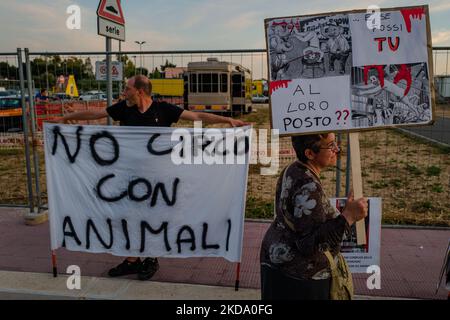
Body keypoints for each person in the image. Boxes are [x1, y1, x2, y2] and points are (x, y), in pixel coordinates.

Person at [55, 75, 249, 280]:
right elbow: (95, 114)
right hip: (128, 175)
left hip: (157, 179)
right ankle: (132, 260)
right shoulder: (124, 108)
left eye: (127, 88)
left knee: (154, 219)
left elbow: (196, 117)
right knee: (127, 216)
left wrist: (227, 120)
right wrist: (65, 119)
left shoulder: (164, 109)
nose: (124, 92)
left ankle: (151, 259)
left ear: (139, 91)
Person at [260, 133, 368, 300]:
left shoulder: (293, 168)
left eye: (336, 144)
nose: (337, 149)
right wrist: (348, 216)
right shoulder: (308, 185)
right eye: (330, 145)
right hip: (300, 278)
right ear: (310, 154)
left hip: (277, 262)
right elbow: (309, 244)